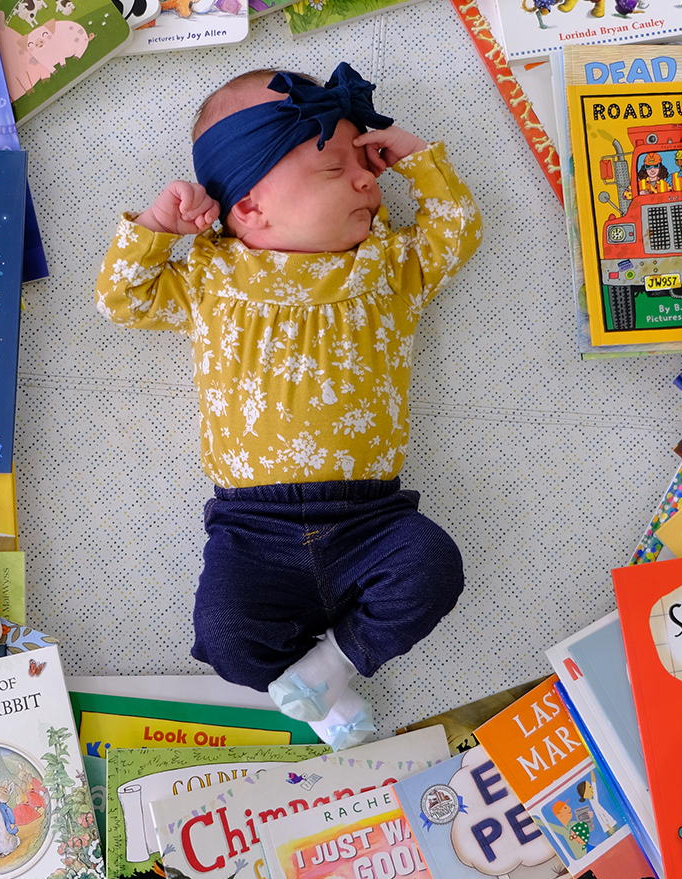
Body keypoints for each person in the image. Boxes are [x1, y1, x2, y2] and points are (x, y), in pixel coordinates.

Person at [95, 62, 481, 748]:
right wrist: (158, 224)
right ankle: (318, 695)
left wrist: (418, 157)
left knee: (434, 565)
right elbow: (122, 298)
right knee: (226, 641)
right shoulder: (209, 276)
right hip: (252, 530)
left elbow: (457, 230)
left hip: (371, 519)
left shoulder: (389, 266)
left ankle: (334, 663)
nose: (368, 178)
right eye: (335, 169)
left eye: (367, 166)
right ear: (249, 206)